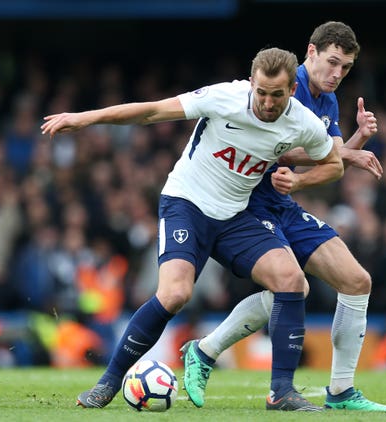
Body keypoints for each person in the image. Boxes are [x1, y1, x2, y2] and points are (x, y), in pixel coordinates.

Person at [41, 47, 344, 411]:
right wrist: (85, 119)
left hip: (235, 216)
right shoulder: (224, 98)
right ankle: (108, 382)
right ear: (251, 82)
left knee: (291, 280)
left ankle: (281, 391)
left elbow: (334, 163)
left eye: (276, 95)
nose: (266, 102)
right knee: (175, 294)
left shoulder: (303, 122)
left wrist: (298, 182)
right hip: (186, 204)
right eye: (260, 92)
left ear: (291, 91)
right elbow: (152, 111)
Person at [180, 21, 386, 412]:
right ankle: (209, 353)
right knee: (294, 287)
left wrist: (358, 140)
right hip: (248, 204)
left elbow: (330, 156)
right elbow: (283, 149)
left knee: (357, 281)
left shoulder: (326, 99)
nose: (337, 74)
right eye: (332, 62)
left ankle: (341, 391)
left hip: (283, 202)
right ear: (310, 53)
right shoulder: (282, 85)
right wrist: (347, 152)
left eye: (345, 68)